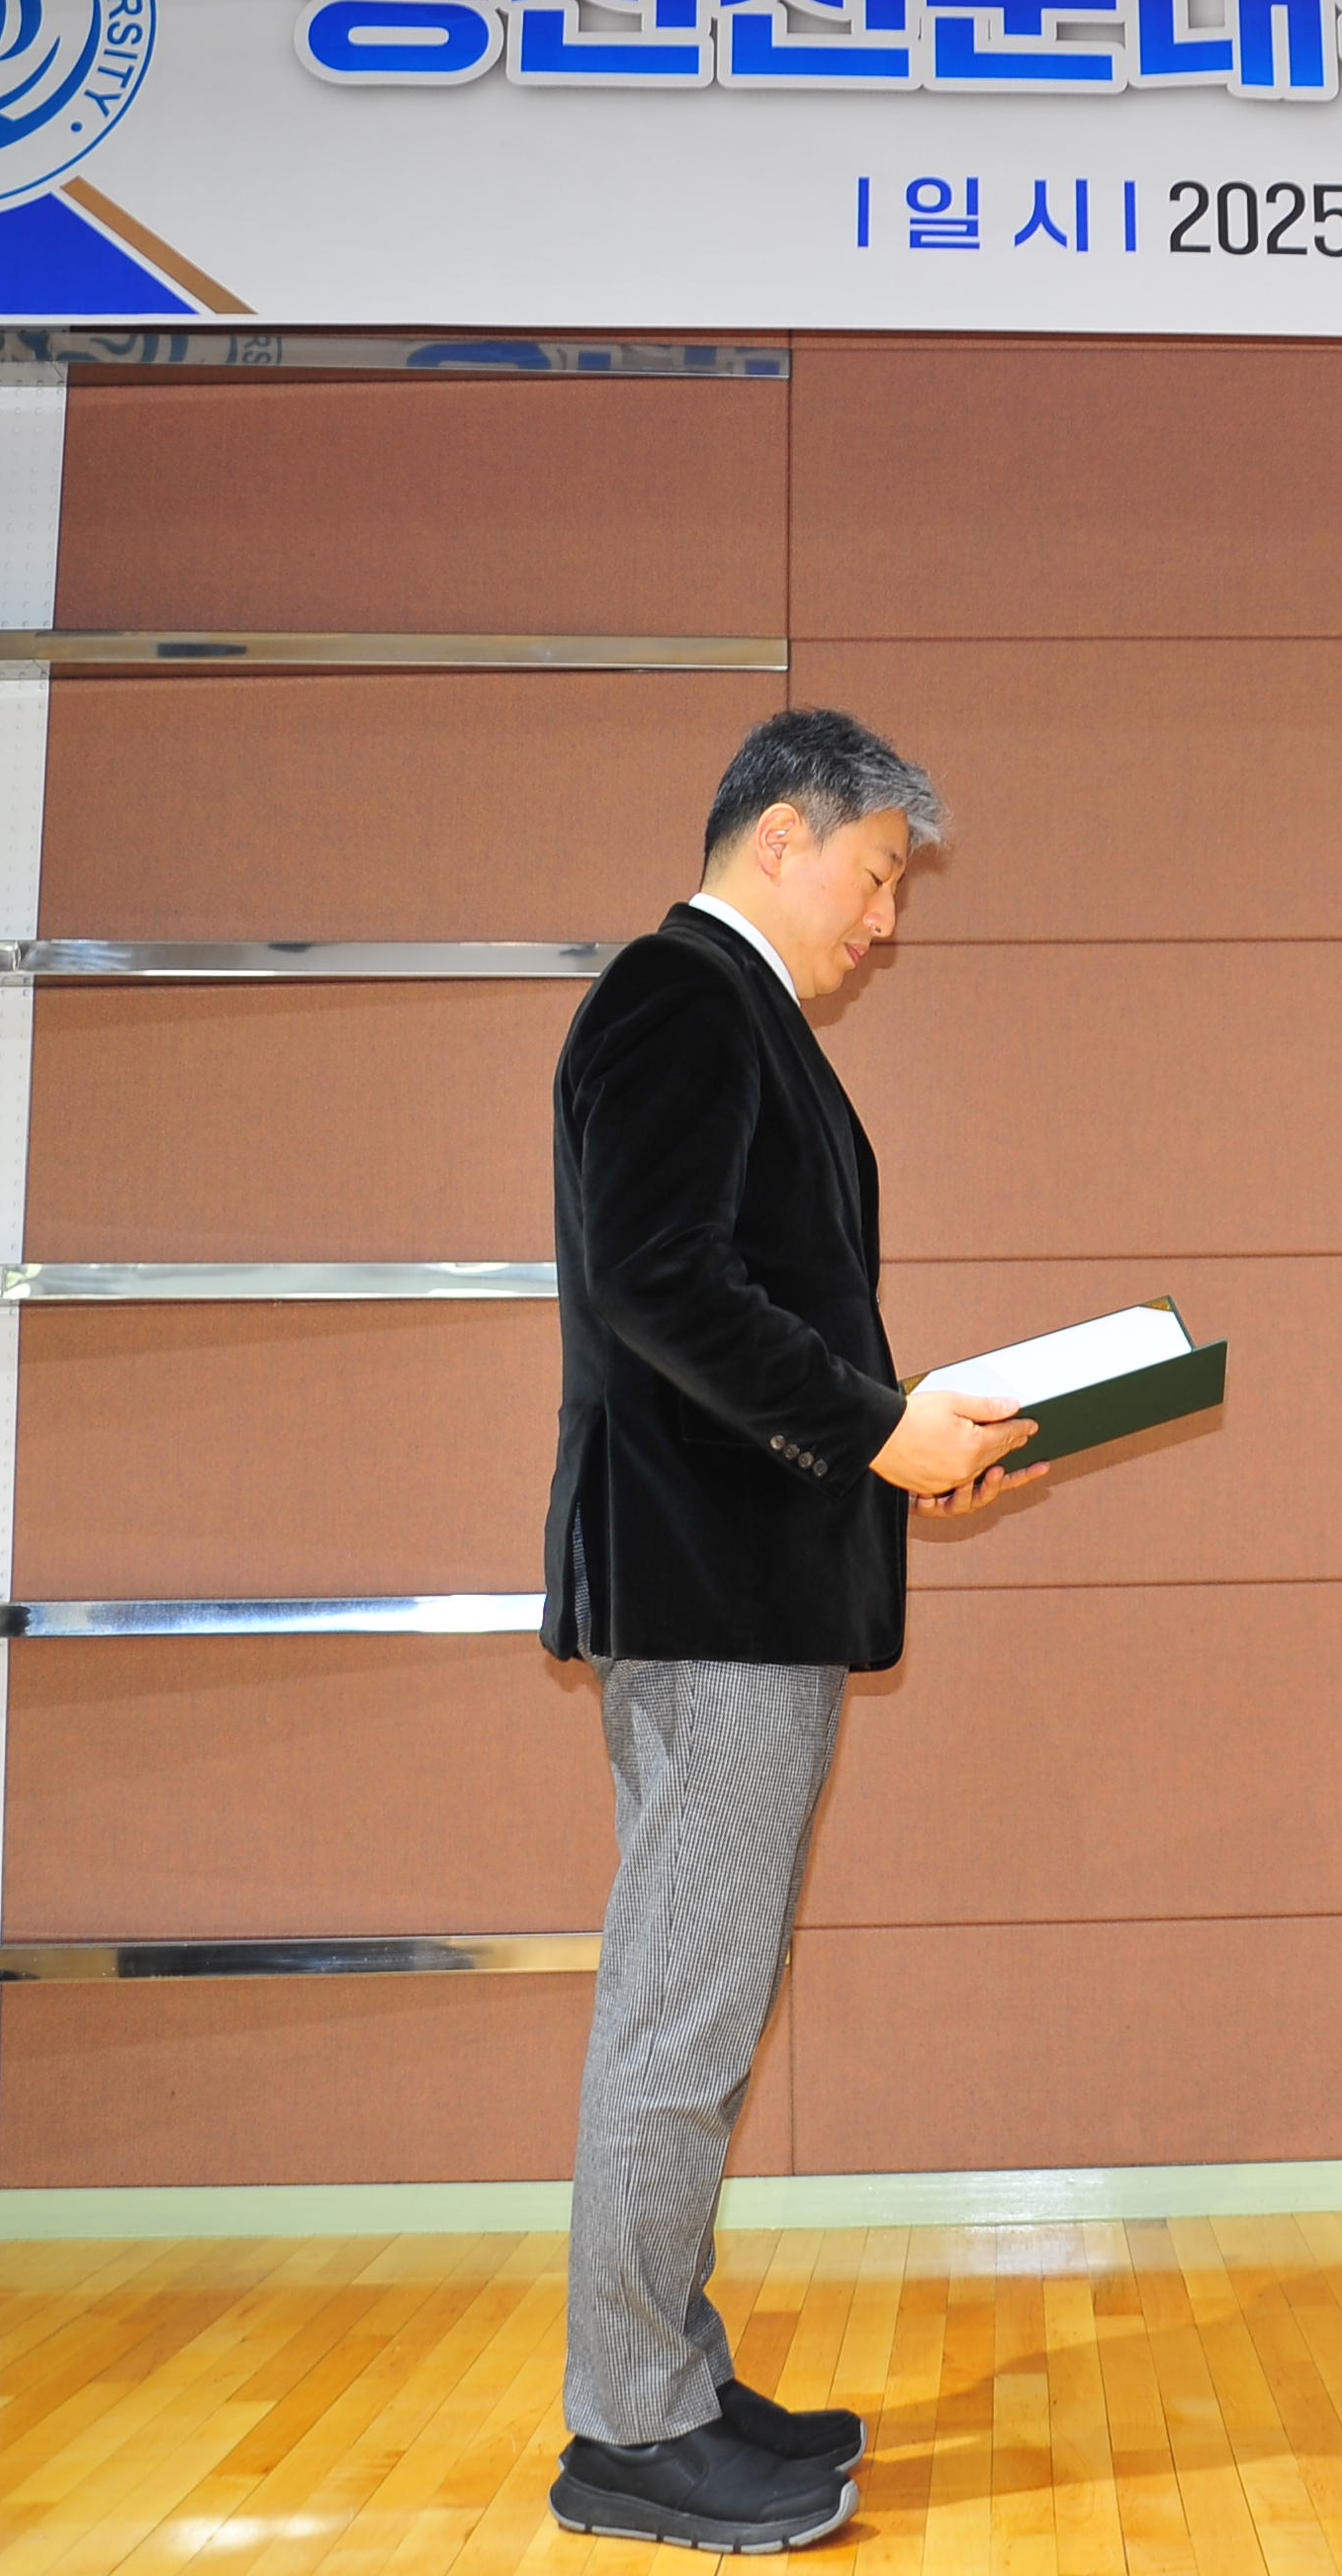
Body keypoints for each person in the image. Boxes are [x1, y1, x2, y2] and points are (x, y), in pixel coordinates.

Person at [541, 708, 1045, 2553]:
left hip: (735, 1582)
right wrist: (877, 1430)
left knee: (702, 2001)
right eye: (879, 875)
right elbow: (659, 1279)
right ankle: (628, 2430)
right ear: (780, 838)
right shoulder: (680, 998)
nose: (888, 920)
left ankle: (671, 2371)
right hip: (713, 1593)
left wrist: (903, 1439)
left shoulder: (723, 1011)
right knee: (682, 2015)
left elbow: (738, 1304)